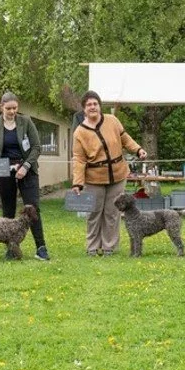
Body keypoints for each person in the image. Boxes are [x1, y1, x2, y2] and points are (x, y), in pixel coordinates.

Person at [71, 91, 147, 256]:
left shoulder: (112, 120)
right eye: (89, 105)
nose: (93, 107)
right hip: (94, 178)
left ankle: (109, 247)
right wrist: (77, 182)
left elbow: (125, 138)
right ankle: (92, 246)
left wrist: (138, 149)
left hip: (118, 175)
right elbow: (78, 159)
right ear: (84, 109)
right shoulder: (79, 132)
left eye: (95, 104)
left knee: (112, 212)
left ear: (99, 106)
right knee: (94, 213)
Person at [0, 92, 49, 260]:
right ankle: (11, 249)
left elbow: (36, 147)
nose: (12, 111)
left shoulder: (26, 122)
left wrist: (26, 166)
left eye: (15, 108)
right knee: (8, 209)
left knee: (32, 208)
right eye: (8, 108)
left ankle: (41, 247)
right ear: (1, 107)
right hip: (3, 170)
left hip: (26, 168)